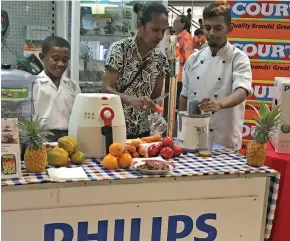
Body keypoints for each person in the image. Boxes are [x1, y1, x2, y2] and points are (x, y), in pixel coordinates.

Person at [179, 3, 252, 151]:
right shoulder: (193, 59)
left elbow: (242, 90)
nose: (211, 32)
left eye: (218, 28)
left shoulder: (238, 58)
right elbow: (184, 96)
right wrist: (180, 129)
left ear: (229, 28)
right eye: (207, 27)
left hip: (224, 140)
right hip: (192, 139)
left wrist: (220, 103)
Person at [102, 2, 169, 139]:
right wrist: (131, 99)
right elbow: (106, 89)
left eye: (163, 31)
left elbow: (155, 97)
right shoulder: (120, 49)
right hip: (113, 126)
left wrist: (155, 110)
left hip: (142, 131)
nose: (160, 36)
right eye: (155, 30)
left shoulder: (160, 59)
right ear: (140, 25)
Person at [33, 36, 81, 141]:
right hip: (42, 137)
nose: (61, 64)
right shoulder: (33, 85)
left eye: (65, 60)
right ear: (42, 57)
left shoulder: (72, 86)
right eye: (55, 59)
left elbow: (78, 115)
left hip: (69, 137)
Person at [173, 15, 193, 108]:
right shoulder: (176, 37)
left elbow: (189, 58)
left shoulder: (186, 38)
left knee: (179, 100)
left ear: (183, 24)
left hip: (181, 76)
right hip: (175, 74)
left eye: (176, 21)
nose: (173, 23)